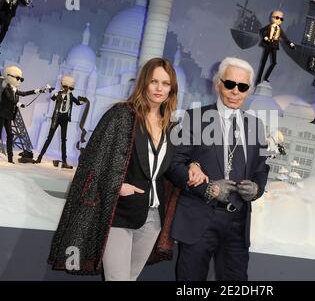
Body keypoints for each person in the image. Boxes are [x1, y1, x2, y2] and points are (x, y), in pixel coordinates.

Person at [48, 58, 201, 280]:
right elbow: (93, 161)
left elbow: (173, 165)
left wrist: (194, 165)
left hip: (152, 219)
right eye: (154, 81)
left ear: (172, 88)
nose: (159, 88)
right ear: (143, 84)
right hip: (118, 212)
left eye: (165, 83)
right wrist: (116, 186)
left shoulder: (170, 127)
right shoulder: (121, 115)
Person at [168, 57, 270, 281]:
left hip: (238, 222)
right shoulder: (195, 117)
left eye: (242, 87)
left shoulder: (256, 126)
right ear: (218, 84)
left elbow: (261, 170)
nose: (235, 91)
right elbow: (175, 165)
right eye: (230, 84)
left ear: (248, 91)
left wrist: (257, 188)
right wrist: (208, 188)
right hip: (199, 218)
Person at [34, 76, 84, 169]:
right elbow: (52, 98)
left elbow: (77, 102)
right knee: (49, 138)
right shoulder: (59, 94)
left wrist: (83, 101)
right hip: (56, 117)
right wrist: (57, 92)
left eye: (70, 88)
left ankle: (64, 161)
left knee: (63, 140)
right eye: (66, 87)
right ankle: (39, 157)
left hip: (64, 118)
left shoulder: (71, 96)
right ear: (64, 86)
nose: (68, 89)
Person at [0, 65, 44, 163]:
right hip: (2, 115)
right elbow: (10, 99)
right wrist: (19, 104)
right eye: (18, 78)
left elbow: (24, 93)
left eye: (21, 79)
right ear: (9, 76)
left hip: (9, 116)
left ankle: (10, 159)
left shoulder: (14, 89)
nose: (20, 80)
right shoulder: (6, 88)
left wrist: (37, 91)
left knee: (10, 136)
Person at [255, 10, 295, 85]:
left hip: (274, 46)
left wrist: (290, 44)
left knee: (274, 63)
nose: (279, 20)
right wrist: (265, 37)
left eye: (281, 19)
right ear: (272, 18)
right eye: (277, 18)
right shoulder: (269, 26)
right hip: (267, 45)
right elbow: (261, 31)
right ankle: (258, 79)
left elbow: (285, 38)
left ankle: (266, 77)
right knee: (263, 62)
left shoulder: (280, 30)